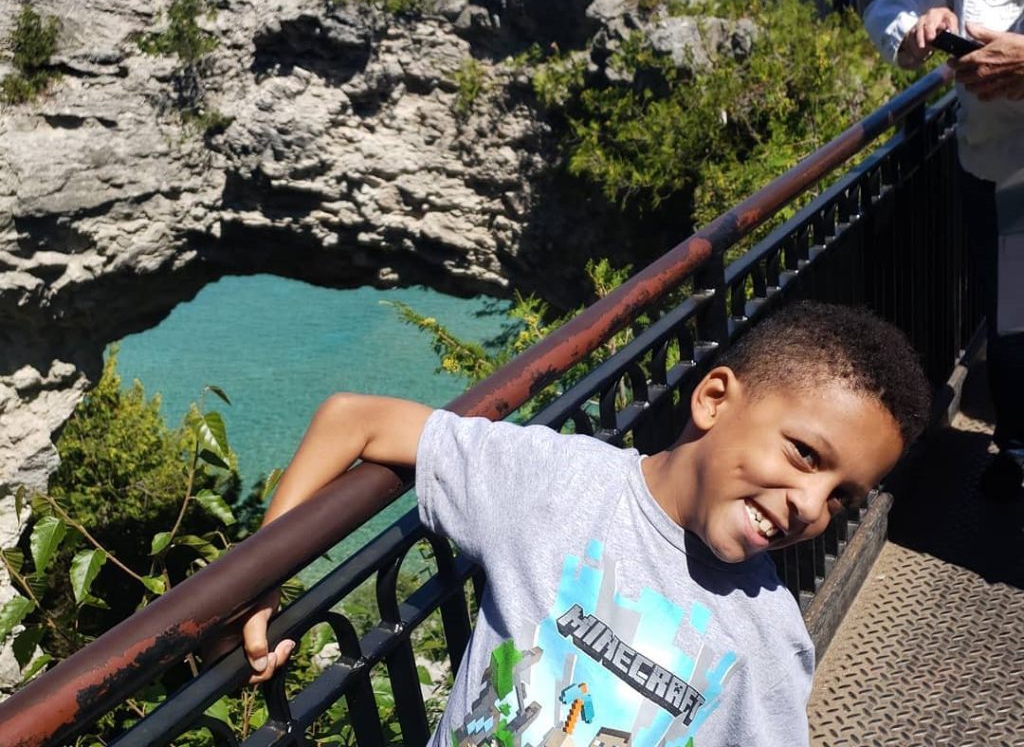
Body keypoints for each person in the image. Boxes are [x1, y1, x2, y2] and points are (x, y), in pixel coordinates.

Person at [241, 301, 931, 745]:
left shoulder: (769, 641)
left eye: (842, 495)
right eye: (805, 453)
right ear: (716, 398)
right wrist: (264, 578)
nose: (812, 505)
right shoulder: (554, 480)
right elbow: (353, 420)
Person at [864, 0, 1024, 499]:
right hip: (1005, 178)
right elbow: (891, 2)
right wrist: (917, 26)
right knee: (1013, 327)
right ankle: (1015, 448)